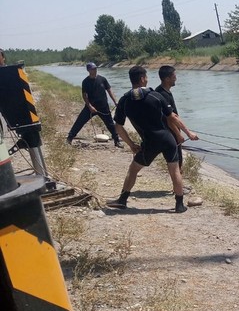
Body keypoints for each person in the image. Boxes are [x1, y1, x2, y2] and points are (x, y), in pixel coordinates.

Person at [107, 66, 188, 213]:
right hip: (167, 138)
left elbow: (118, 127)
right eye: (146, 77)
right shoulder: (156, 96)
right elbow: (173, 117)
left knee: (133, 170)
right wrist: (188, 133)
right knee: (174, 170)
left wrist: (131, 144)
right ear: (143, 79)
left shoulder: (125, 100)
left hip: (150, 142)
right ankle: (179, 205)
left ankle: (122, 200)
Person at [155, 65, 199, 172]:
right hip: (170, 133)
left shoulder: (165, 92)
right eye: (174, 76)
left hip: (170, 132)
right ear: (167, 79)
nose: (176, 78)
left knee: (177, 160)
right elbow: (170, 118)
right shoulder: (162, 94)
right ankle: (178, 187)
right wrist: (179, 134)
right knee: (176, 161)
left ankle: (179, 185)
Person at [66, 62, 121, 147]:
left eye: (95, 68)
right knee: (79, 122)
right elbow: (84, 96)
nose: (95, 70)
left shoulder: (102, 79)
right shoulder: (85, 82)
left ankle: (117, 141)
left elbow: (109, 91)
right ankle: (69, 138)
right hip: (90, 107)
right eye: (92, 69)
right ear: (88, 70)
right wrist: (90, 107)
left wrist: (115, 101)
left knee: (110, 124)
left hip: (103, 107)